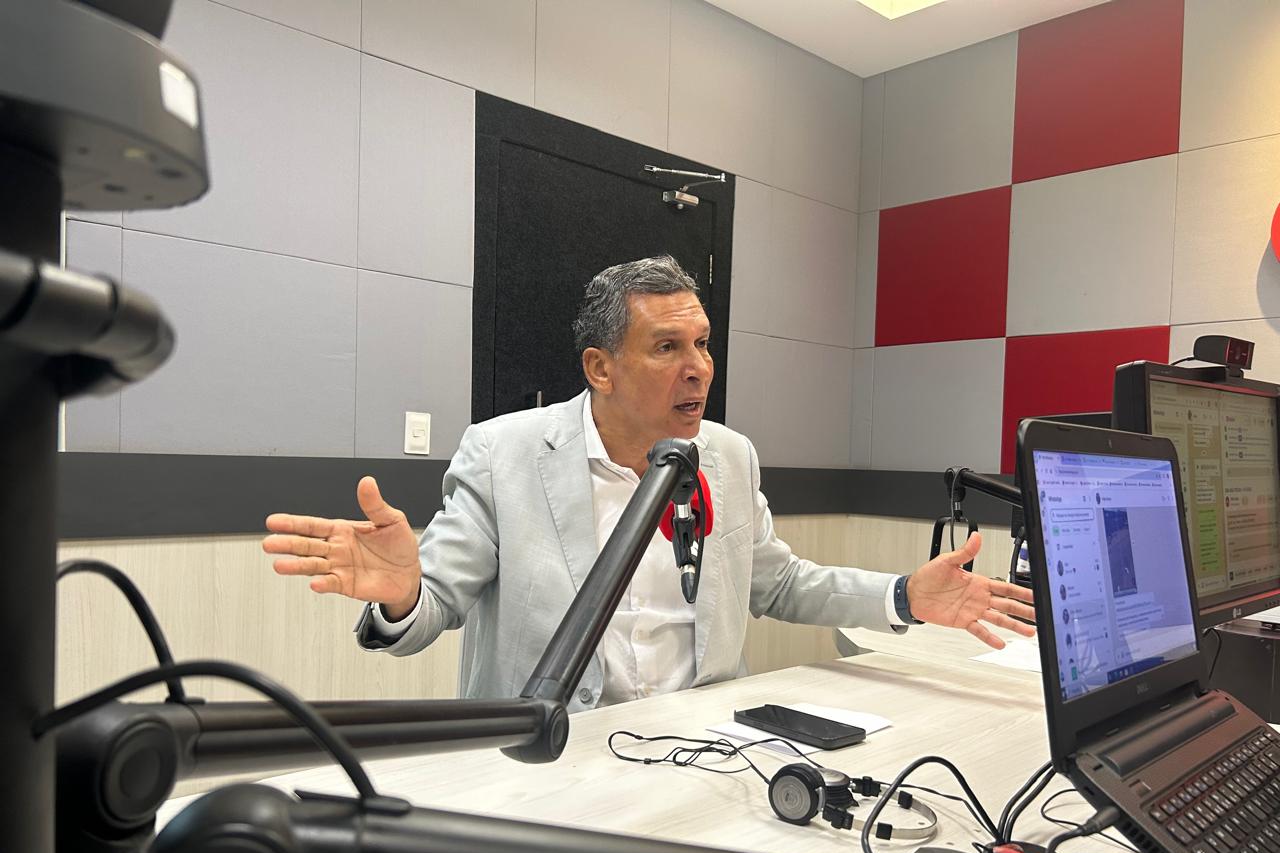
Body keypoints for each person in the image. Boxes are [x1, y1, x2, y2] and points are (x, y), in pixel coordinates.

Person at [263, 255, 1034, 710]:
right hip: (552, 756)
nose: (698, 368)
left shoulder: (727, 455)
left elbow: (778, 584)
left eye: (702, 343)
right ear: (600, 367)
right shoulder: (503, 454)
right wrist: (402, 593)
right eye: (667, 347)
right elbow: (430, 610)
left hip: (701, 747)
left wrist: (904, 595)